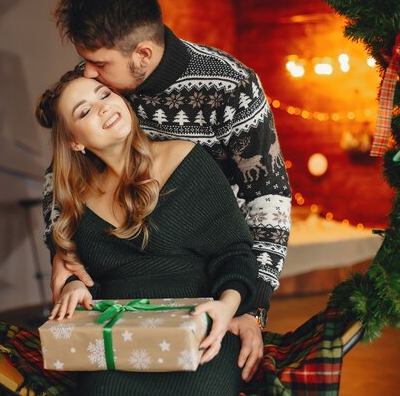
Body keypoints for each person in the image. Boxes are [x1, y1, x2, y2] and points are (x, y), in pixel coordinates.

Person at [39, 0, 292, 381]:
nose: (88, 73)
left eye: (99, 64)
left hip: (214, 276)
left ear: (142, 53)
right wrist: (65, 256)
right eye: (84, 62)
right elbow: (61, 180)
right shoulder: (93, 85)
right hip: (125, 287)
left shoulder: (230, 86)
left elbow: (268, 200)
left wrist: (250, 306)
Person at [36, 69, 257, 396]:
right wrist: (72, 286)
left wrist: (227, 307)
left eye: (104, 94)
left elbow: (235, 253)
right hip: (119, 343)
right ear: (75, 141)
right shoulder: (76, 200)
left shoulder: (187, 159)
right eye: (84, 111)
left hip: (197, 330)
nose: (102, 108)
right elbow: (76, 267)